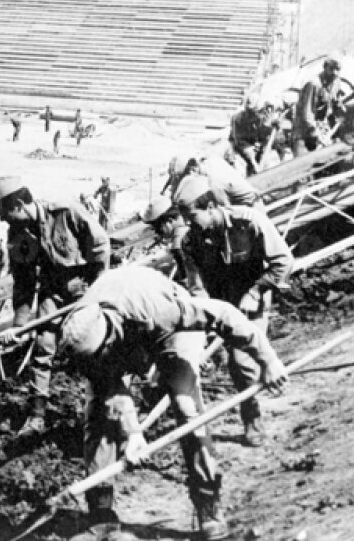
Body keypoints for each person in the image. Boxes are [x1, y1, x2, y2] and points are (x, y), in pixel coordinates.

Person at [54, 266, 289, 541]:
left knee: (185, 404)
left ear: (110, 335)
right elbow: (111, 387)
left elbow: (225, 314)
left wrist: (268, 360)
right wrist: (133, 433)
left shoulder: (162, 311)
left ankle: (208, 503)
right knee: (98, 416)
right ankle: (100, 511)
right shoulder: (79, 338)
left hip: (167, 331)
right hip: (121, 327)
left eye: (102, 353)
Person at [0, 176, 110, 433]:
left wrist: (97, 289)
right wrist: (18, 327)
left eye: (2, 212)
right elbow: (24, 283)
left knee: (97, 344)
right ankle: (38, 415)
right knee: (43, 347)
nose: (1, 219)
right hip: (53, 291)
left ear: (18, 204)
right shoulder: (17, 236)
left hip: (86, 286)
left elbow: (100, 246)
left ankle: (108, 404)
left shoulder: (66, 212)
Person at [173, 175, 292, 447]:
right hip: (221, 304)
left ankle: (253, 419)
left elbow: (283, 261)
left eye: (193, 217)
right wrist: (200, 327)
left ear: (212, 205)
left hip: (252, 295)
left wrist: (256, 291)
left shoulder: (248, 221)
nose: (190, 225)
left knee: (239, 361)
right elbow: (196, 286)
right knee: (238, 362)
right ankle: (258, 384)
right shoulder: (191, 242)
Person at [165, 152, 263, 210]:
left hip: (252, 210)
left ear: (192, 170)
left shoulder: (214, 184)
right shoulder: (211, 161)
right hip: (244, 203)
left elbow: (226, 215)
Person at [142, 195, 194, 285]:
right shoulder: (190, 225)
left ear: (169, 221)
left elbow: (186, 278)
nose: (158, 233)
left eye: (158, 228)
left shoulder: (178, 244)